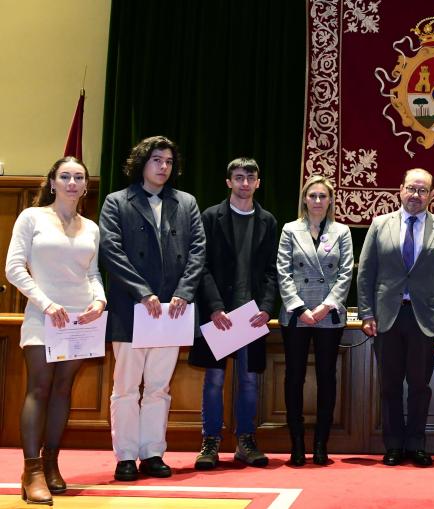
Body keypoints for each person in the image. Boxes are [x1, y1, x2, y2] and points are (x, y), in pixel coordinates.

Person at [99, 136, 206, 481]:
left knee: (159, 387)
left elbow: (197, 252)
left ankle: (153, 452)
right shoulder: (117, 202)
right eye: (156, 159)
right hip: (132, 308)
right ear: (141, 162)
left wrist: (184, 292)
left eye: (169, 162)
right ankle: (126, 456)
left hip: (172, 310)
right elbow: (111, 252)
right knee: (127, 386)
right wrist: (143, 293)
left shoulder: (186, 203)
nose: (163, 167)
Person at [5, 157, 106, 504]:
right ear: (52, 182)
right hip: (44, 315)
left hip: (80, 319)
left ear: (85, 185)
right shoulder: (31, 217)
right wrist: (46, 303)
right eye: (65, 176)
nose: (72, 182)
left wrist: (100, 301)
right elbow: (13, 268)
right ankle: (31, 471)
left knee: (63, 390)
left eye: (79, 177)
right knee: (40, 388)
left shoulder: (91, 227)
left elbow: (92, 274)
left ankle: (51, 464)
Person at [357, 168, 434, 467]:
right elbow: (365, 273)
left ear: (431, 194)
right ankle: (393, 445)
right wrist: (366, 313)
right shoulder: (379, 224)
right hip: (387, 316)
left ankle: (416, 444)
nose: (416, 195)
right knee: (389, 386)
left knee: (419, 386)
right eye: (411, 189)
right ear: (400, 190)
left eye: (423, 190)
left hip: (425, 318)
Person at [189, 158, 278, 470]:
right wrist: (214, 307)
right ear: (228, 182)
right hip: (219, 314)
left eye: (250, 178)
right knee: (213, 379)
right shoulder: (210, 217)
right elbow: (202, 266)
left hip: (251, 316)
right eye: (238, 177)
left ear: (258, 183)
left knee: (249, 380)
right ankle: (210, 442)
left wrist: (267, 307)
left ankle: (246, 441)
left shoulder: (268, 220)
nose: (244, 183)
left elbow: (271, 272)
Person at [277, 175, 353, 466]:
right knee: (294, 377)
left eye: (323, 196)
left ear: (331, 200)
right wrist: (299, 308)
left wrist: (326, 306)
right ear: (304, 199)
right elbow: (283, 272)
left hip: (328, 314)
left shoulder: (342, 231)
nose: (318, 201)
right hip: (296, 315)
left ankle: (321, 445)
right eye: (313, 196)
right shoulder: (289, 230)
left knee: (326, 378)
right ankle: (296, 445)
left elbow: (346, 274)